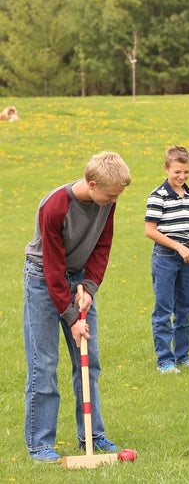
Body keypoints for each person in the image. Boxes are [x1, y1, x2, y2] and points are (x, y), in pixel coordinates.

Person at [23, 152, 131, 463]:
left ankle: (93, 436)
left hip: (80, 279)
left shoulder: (106, 201)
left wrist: (91, 288)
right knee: (43, 364)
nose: (113, 200)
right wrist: (72, 318)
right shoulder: (55, 206)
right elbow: (53, 268)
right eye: (110, 195)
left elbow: (102, 245)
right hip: (42, 280)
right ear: (93, 184)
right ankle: (41, 444)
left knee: (88, 363)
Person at [145, 146, 189, 374]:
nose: (182, 177)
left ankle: (183, 356)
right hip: (165, 258)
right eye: (177, 172)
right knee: (164, 309)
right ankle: (165, 361)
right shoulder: (157, 196)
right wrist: (179, 247)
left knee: (185, 310)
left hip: (188, 259)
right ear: (166, 169)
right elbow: (150, 230)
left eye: (187, 172)